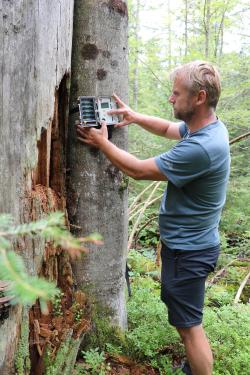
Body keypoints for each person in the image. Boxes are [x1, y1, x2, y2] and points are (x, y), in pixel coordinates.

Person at [76, 61, 230, 375]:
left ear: (199, 97)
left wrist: (102, 142)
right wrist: (133, 117)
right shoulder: (207, 125)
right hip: (187, 246)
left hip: (190, 251)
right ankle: (194, 364)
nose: (171, 100)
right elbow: (167, 128)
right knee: (184, 320)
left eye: (176, 94)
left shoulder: (202, 147)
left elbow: (138, 170)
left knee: (189, 327)